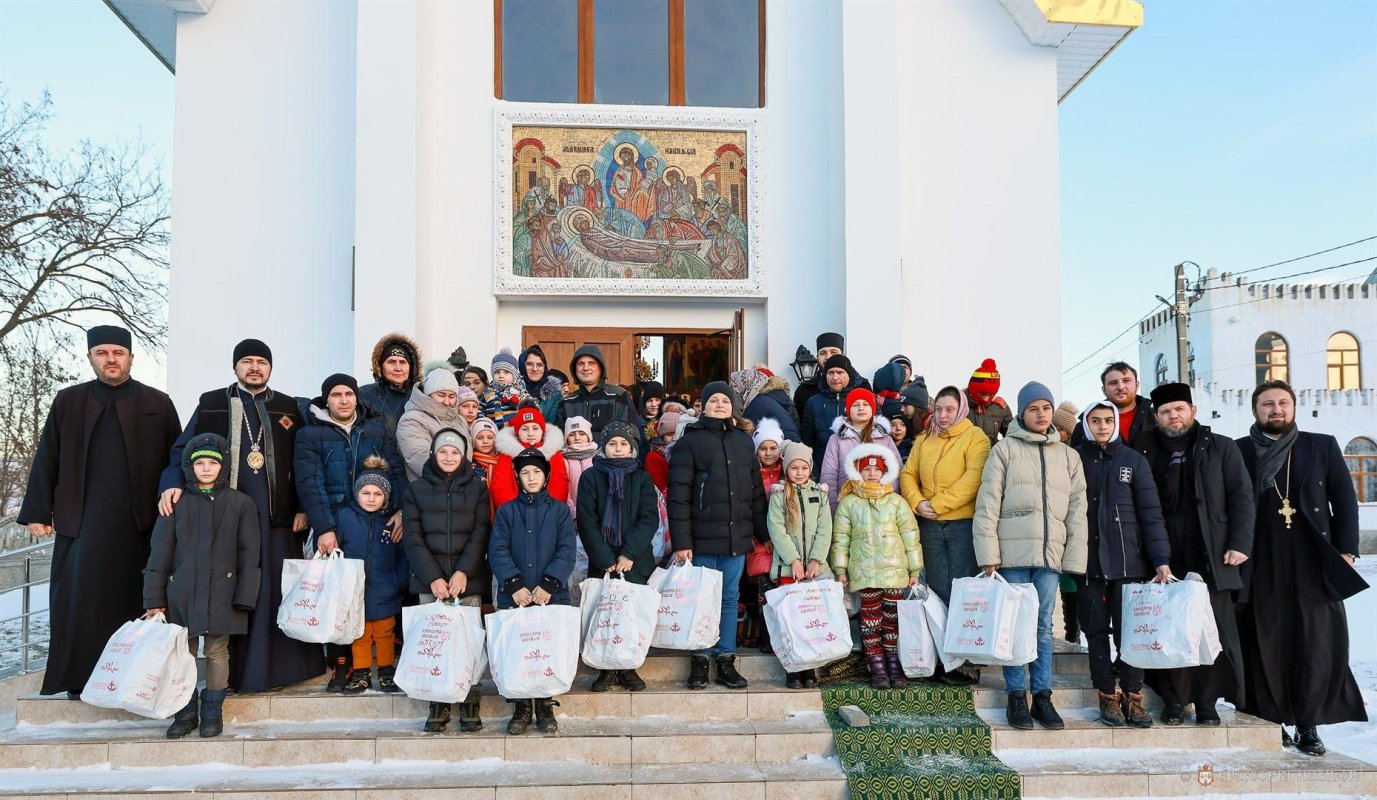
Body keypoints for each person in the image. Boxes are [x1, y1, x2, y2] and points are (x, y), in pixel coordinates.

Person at [19, 325, 182, 699]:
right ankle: (80, 681)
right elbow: (48, 458)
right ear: (91, 357)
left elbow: (177, 458)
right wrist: (37, 511)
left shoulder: (157, 402)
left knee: (142, 600)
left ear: (130, 357)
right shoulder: (68, 401)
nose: (111, 359)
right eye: (102, 353)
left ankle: (139, 682)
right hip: (83, 523)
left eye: (118, 353)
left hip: (142, 524)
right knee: (80, 603)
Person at [158, 339, 322, 693]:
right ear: (235, 367)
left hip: (277, 516)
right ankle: (232, 676)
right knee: (231, 588)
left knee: (276, 588)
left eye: (261, 361)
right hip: (223, 517)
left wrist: (303, 507)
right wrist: (172, 484)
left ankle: (282, 670)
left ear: (270, 368)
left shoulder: (289, 406)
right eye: (246, 361)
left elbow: (306, 461)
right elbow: (181, 450)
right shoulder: (212, 402)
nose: (254, 367)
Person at [1236, 381, 1367, 755]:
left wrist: (1347, 550)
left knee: (1316, 641)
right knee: (1265, 638)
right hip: (1261, 559)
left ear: (1293, 407)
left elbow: (1344, 499)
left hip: (1314, 557)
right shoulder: (1240, 450)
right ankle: (1270, 719)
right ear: (1255, 410)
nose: (1276, 409)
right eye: (1267, 404)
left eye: (1282, 403)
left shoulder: (1320, 444)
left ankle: (1308, 723)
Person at [1136, 382, 1253, 727]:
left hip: (1212, 552)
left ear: (1192, 411)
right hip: (1163, 550)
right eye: (1165, 412)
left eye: (1179, 410)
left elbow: (1242, 498)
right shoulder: (1145, 451)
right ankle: (1174, 700)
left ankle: (1206, 702)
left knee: (1209, 630)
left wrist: (1240, 543)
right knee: (1166, 627)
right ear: (1156, 417)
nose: (1173, 416)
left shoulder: (1222, 447)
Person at [973, 381, 1088, 731]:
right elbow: (988, 503)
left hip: (1049, 556)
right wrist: (988, 553)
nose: (1040, 414)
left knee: (1041, 627)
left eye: (1046, 407)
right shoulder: (1004, 450)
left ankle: (1042, 696)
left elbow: (1076, 510)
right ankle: (1015, 696)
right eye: (1033, 408)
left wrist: (1073, 558)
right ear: (1022, 412)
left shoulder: (1069, 456)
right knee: (1012, 625)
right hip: (1012, 554)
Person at [295, 372, 407, 691]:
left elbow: (395, 471)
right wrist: (325, 527)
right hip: (334, 522)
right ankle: (341, 665)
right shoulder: (311, 434)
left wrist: (398, 509)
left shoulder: (374, 430)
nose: (343, 400)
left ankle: (379, 664)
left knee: (368, 595)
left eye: (348, 394)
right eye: (336, 395)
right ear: (326, 399)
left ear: (356, 397)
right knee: (336, 594)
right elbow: (310, 482)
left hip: (372, 516)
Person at [142, 433, 259, 739]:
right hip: (181, 592)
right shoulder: (177, 503)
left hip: (224, 592)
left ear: (223, 466)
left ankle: (212, 713)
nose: (206, 469)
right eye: (200, 463)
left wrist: (245, 594)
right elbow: (160, 552)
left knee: (219, 652)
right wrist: (154, 598)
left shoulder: (240, 503)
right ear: (189, 466)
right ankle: (185, 713)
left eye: (212, 463)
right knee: (184, 653)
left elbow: (249, 552)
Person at [1074, 400, 1172, 728]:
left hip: (1131, 562)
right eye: (1095, 420)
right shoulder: (1075, 459)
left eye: (1107, 420)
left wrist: (1160, 560)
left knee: (1131, 632)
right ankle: (1106, 694)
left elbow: (1150, 514)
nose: (1102, 426)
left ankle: (1132, 694)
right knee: (1096, 631)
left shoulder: (1134, 461)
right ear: (1086, 423)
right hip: (1089, 562)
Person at [667, 381, 767, 691]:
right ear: (703, 406)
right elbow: (679, 495)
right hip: (701, 539)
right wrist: (682, 542)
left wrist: (762, 532)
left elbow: (755, 490)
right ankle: (699, 660)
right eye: (714, 401)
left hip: (735, 537)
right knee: (701, 601)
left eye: (725, 400)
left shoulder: (742, 441)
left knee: (728, 600)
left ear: (733, 407)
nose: (720, 405)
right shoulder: (690, 443)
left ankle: (725, 660)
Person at [898, 385, 990, 686]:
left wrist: (936, 504)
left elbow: (973, 480)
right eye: (938, 409)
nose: (944, 414)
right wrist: (917, 503)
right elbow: (908, 474)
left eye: (949, 409)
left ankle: (966, 664)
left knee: (961, 593)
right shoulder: (925, 439)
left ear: (960, 408)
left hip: (961, 525)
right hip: (930, 527)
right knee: (936, 592)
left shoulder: (975, 438)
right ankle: (942, 659)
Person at [402, 428, 491, 733]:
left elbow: (481, 532)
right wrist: (433, 578)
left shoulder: (478, 489)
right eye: (443, 452)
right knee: (435, 644)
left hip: (466, 581)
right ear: (433, 454)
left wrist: (464, 570)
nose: (449, 457)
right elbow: (412, 538)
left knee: (468, 643)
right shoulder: (416, 490)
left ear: (463, 455)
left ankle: (469, 697)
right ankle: (437, 701)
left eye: (455, 452)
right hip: (431, 583)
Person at [490, 448, 578, 735]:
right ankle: (520, 707)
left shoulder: (560, 511)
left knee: (546, 652)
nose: (531, 477)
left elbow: (567, 550)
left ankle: (544, 705)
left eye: (537, 472)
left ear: (546, 476)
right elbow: (498, 549)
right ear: (518, 477)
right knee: (518, 652)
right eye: (525, 472)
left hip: (550, 596)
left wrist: (551, 584)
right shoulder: (507, 511)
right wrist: (513, 584)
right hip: (516, 597)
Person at [576, 421, 659, 692]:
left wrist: (628, 553)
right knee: (605, 614)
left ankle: (628, 667)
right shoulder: (590, 477)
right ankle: (606, 669)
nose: (618, 448)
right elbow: (586, 521)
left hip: (634, 559)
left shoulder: (642, 477)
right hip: (603, 561)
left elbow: (649, 519)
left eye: (624, 444)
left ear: (632, 448)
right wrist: (604, 559)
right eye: (613, 444)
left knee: (630, 614)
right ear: (604, 448)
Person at [832, 445, 922, 690]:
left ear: (885, 472)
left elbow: (910, 536)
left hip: (894, 571)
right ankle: (877, 665)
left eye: (877, 469)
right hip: (865, 572)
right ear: (858, 472)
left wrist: (915, 570)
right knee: (871, 619)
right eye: (867, 469)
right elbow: (841, 538)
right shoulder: (849, 502)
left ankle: (894, 663)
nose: (872, 473)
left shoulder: (896, 502)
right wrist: (840, 570)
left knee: (891, 619)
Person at [330, 457, 409, 695]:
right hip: (356, 592)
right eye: (366, 493)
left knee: (385, 633)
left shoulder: (393, 521)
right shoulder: (345, 517)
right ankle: (362, 672)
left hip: (386, 588)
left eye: (377, 493)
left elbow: (404, 554)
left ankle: (386, 671)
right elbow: (336, 548)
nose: (371, 498)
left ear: (386, 495)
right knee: (360, 634)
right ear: (357, 493)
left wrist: (399, 581)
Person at [766, 442, 833, 689]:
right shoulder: (779, 495)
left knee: (812, 620)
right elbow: (777, 530)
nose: (799, 472)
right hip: (788, 569)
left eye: (804, 467)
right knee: (791, 621)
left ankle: (810, 668)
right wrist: (793, 560)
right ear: (786, 469)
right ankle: (793, 669)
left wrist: (816, 559)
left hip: (815, 570)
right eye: (794, 467)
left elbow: (826, 529)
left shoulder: (820, 494)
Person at [745, 418, 788, 654]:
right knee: (765, 593)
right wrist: (760, 537)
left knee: (783, 592)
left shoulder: (788, 472)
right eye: (763, 448)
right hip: (760, 543)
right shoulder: (752, 475)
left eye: (773, 448)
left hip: (785, 545)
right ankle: (766, 635)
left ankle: (782, 634)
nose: (768, 452)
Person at [820, 388, 902, 511]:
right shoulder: (836, 439)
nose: (861, 408)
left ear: (873, 409)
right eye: (855, 405)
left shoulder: (885, 438)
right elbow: (829, 475)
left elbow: (896, 472)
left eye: (865, 404)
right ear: (848, 409)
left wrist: (892, 504)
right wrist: (832, 509)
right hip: (847, 507)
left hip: (882, 505)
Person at [551, 345, 644, 450]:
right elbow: (558, 440)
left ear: (601, 367)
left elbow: (633, 435)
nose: (586, 368)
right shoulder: (567, 402)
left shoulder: (619, 396)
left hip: (611, 464)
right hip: (574, 463)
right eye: (581, 364)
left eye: (591, 363)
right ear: (574, 368)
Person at [397, 368, 467, 481]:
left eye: (452, 396)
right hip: (429, 492)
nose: (447, 401)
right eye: (441, 395)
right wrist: (465, 476)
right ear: (428, 394)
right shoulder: (412, 420)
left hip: (461, 491)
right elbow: (420, 458)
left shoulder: (460, 420)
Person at [491, 406, 568, 509]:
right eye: (525, 429)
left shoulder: (554, 454)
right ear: (518, 432)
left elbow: (560, 487)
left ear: (542, 431)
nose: (530, 433)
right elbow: (501, 487)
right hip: (516, 515)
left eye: (535, 428)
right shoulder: (507, 454)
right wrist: (512, 513)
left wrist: (551, 512)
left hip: (548, 513)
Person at [801, 354, 861, 474]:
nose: (835, 377)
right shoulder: (814, 402)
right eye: (830, 373)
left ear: (848, 374)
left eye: (840, 372)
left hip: (856, 468)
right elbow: (807, 441)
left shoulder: (861, 400)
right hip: (822, 467)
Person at [1070, 362, 1154, 448]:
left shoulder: (1156, 418)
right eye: (1113, 383)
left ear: (1137, 385)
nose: (1121, 387)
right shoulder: (1085, 426)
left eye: (1126, 381)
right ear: (1104, 390)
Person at [793, 332, 870, 420]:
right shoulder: (804, 390)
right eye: (823, 353)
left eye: (834, 352)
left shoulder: (862, 386)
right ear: (817, 357)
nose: (828, 357)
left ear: (843, 355)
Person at [358, 333, 423, 436]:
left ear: (411, 367)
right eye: (391, 362)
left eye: (402, 362)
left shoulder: (422, 395)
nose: (398, 368)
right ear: (380, 366)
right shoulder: (365, 395)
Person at [731, 368, 801, 443]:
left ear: (746, 385)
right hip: (789, 445)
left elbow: (744, 437)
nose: (736, 393)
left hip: (782, 449)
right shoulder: (770, 398)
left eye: (737, 389)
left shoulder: (758, 403)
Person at [965, 359, 1013, 445]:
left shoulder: (1000, 408)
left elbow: (1013, 437)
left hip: (990, 456)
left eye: (991, 395)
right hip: (962, 455)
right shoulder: (956, 403)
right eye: (983, 394)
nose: (986, 398)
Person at [481, 349, 530, 428]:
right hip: (493, 433)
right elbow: (480, 410)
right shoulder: (487, 393)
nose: (501, 375)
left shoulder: (520, 392)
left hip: (515, 432)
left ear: (514, 375)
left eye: (506, 372)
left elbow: (532, 410)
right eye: (497, 372)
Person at [519, 345, 564, 419]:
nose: (535, 369)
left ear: (545, 367)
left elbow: (553, 424)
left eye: (539, 365)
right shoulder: (512, 391)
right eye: (529, 364)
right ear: (522, 366)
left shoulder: (555, 395)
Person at [644, 405, 682, 492]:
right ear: (662, 435)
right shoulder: (654, 456)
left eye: (676, 433)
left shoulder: (686, 451)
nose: (674, 438)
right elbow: (657, 483)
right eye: (669, 434)